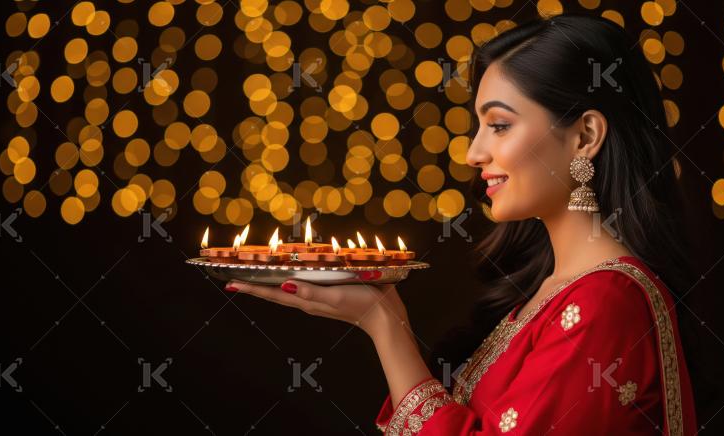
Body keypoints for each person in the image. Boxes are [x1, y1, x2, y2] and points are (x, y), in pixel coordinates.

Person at [223, 13, 698, 435]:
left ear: (585, 136)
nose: (474, 153)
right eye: (479, 126)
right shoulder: (555, 294)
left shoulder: (605, 302)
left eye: (500, 125)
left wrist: (384, 326)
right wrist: (382, 316)